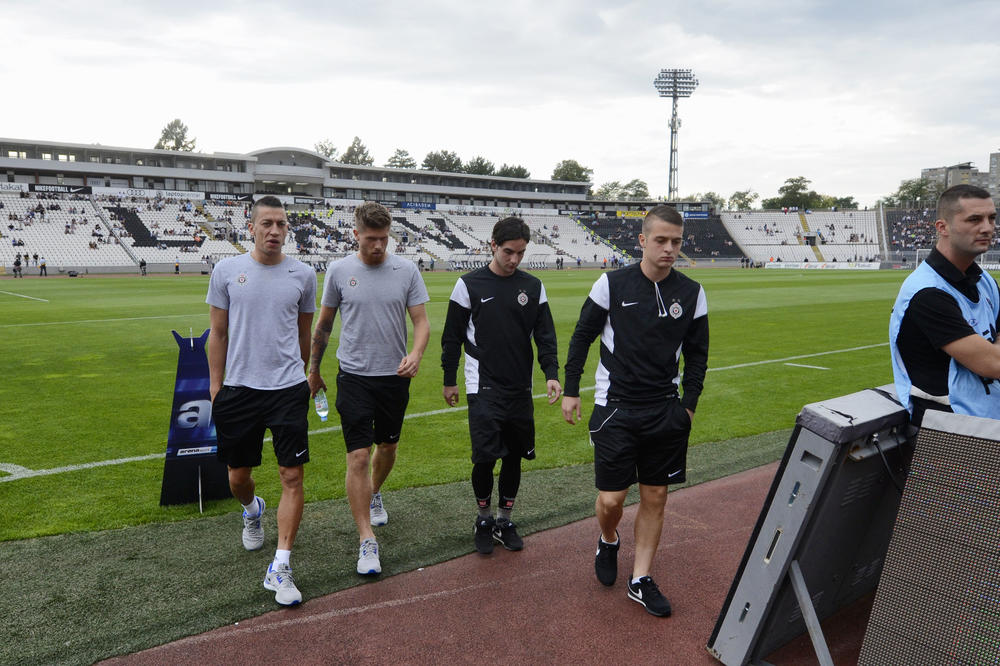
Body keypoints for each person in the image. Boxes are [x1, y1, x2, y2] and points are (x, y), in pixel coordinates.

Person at [561, 205, 709, 618]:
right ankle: (608, 538)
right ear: (642, 240)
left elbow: (698, 357)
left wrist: (689, 408)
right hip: (616, 407)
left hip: (665, 409)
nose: (669, 249)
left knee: (656, 495)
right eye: (660, 240)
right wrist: (572, 390)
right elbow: (581, 337)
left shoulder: (693, 293)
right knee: (611, 498)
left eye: (676, 242)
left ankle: (640, 579)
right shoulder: (611, 285)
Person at [206, 195, 316, 606]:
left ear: (288, 229)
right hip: (239, 390)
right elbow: (217, 334)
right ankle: (252, 510)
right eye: (267, 223)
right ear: (250, 227)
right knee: (237, 477)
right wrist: (217, 387)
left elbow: (304, 334)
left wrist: (299, 376)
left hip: (288, 389)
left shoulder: (303, 274)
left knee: (293, 476)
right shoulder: (227, 270)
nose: (275, 230)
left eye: (282, 224)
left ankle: (281, 565)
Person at [309, 201, 430, 577]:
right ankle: (366, 541)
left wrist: (416, 353)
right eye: (371, 239)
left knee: (388, 447)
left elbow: (422, 321)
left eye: (383, 238)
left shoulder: (406, 270)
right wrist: (313, 369)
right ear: (356, 235)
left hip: (394, 377)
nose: (378, 246)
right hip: (354, 376)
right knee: (358, 456)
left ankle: (374, 492)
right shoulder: (340, 270)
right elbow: (325, 324)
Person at [441, 217, 561, 555]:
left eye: (520, 253)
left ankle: (505, 519)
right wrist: (449, 379)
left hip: (519, 386)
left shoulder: (533, 286)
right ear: (493, 245)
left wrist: (551, 373)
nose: (514, 260)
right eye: (508, 252)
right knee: (484, 458)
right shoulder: (468, 285)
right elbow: (451, 339)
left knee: (514, 458)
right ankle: (483, 518)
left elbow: (545, 336)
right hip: (483, 385)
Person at [890, 184, 1000, 425]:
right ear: (943, 227)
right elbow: (993, 364)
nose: (987, 228)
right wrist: (991, 353)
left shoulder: (983, 279)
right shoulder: (927, 292)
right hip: (950, 429)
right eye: (974, 219)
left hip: (986, 417)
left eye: (991, 218)